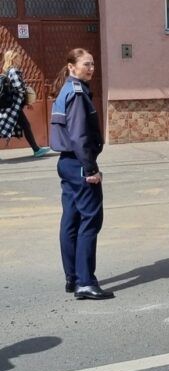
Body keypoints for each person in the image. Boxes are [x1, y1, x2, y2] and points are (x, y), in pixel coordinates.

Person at [50, 48, 112, 300]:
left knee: (72, 220)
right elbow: (79, 136)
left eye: (93, 65)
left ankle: (73, 277)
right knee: (90, 221)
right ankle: (85, 281)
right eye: (86, 64)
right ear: (71, 67)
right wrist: (91, 169)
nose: (91, 69)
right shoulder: (76, 94)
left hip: (67, 163)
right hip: (78, 163)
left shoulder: (68, 90)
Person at [0, 50, 49, 157]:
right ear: (13, 59)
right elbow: (19, 88)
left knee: (20, 126)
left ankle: (36, 149)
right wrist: (27, 95)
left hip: (12, 106)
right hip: (13, 107)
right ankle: (36, 150)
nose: (20, 60)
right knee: (10, 127)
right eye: (18, 58)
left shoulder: (8, 71)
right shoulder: (14, 71)